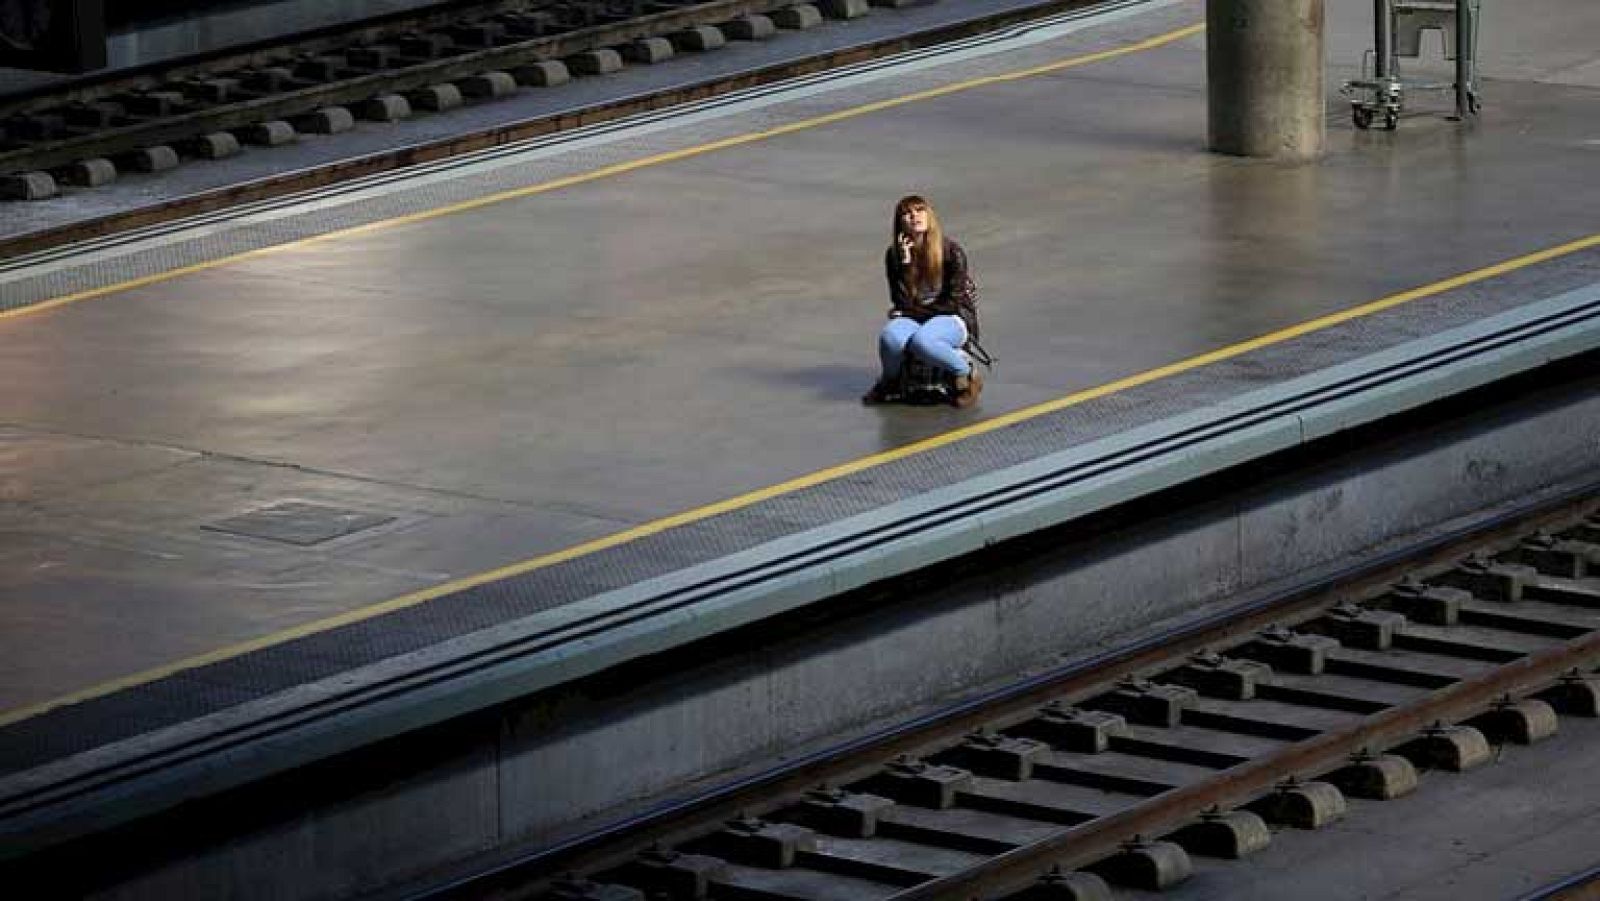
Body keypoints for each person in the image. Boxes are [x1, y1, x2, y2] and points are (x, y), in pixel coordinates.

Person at [862, 195, 989, 408]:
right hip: (916, 316)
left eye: (919, 211)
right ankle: (890, 382)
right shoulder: (894, 255)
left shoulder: (952, 252)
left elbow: (953, 302)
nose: (914, 217)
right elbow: (901, 301)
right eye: (907, 214)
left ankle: (966, 374)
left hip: (952, 317)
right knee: (890, 337)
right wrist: (905, 265)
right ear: (900, 223)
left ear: (929, 216)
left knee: (923, 341)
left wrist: (910, 313)